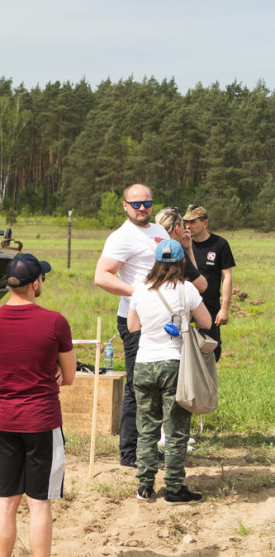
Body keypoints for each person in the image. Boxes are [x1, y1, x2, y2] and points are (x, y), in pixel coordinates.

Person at [0, 253, 76, 557]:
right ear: (36, 283)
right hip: (41, 421)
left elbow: (2, 367)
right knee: (39, 504)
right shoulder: (55, 322)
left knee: (6, 502)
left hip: (4, 421)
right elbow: (68, 376)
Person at [127, 239, 212, 503]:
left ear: (156, 262)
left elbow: (132, 327)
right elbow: (207, 321)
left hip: (143, 365)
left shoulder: (140, 290)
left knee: (147, 428)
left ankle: (145, 486)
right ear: (181, 262)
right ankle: (174, 488)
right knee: (175, 431)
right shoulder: (187, 290)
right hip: (173, 364)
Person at [94, 184, 168, 467]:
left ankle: (147, 447)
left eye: (146, 203)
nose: (142, 208)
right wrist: (138, 293)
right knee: (138, 386)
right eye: (135, 204)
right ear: (124, 205)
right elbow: (102, 276)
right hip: (136, 320)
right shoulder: (121, 237)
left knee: (156, 385)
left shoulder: (158, 231)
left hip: (162, 320)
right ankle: (129, 453)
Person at [183, 204, 235, 362]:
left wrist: (224, 309)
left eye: (193, 222)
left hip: (210, 309)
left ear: (204, 223)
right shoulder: (182, 245)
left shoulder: (219, 244)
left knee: (210, 353)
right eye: (186, 222)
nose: (188, 226)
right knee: (185, 355)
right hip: (185, 310)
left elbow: (227, 277)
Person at [153, 207, 207, 294]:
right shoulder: (175, 252)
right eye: (183, 224)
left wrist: (188, 249)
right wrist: (188, 252)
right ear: (177, 228)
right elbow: (201, 285)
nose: (185, 228)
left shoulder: (153, 244)